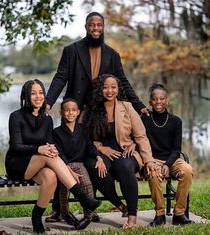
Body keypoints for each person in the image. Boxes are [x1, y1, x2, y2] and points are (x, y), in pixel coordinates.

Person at [45, 11, 149, 222]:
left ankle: (89, 210)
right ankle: (59, 209)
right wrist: (48, 101)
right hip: (74, 110)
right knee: (64, 156)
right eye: (92, 25)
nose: (95, 29)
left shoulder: (112, 54)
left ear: (103, 27)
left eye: (99, 25)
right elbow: (60, 77)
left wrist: (139, 106)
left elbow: (123, 82)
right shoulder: (72, 50)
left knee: (90, 159)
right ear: (86, 26)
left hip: (97, 112)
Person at [5, 79, 101, 234]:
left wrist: (67, 169)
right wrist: (39, 149)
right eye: (33, 93)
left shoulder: (47, 119)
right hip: (17, 163)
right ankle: (82, 196)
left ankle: (36, 218)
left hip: (39, 164)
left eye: (41, 92)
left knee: (51, 177)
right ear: (26, 96)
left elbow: (51, 148)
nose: (38, 96)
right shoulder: (16, 116)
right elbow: (16, 146)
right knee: (47, 153)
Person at [83, 74, 156, 229]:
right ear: (99, 89)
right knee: (95, 167)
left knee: (124, 167)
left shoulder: (127, 107)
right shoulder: (91, 108)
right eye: (105, 87)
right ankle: (119, 205)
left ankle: (132, 215)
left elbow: (141, 135)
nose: (109, 91)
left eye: (113, 87)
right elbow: (83, 136)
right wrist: (100, 148)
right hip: (102, 150)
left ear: (118, 89)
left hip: (125, 150)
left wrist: (148, 159)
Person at [141, 83, 194, 226]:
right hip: (152, 160)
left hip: (172, 159)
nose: (158, 102)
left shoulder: (176, 121)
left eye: (162, 98)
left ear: (167, 100)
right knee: (153, 174)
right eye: (155, 99)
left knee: (187, 170)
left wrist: (167, 164)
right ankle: (160, 214)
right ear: (150, 101)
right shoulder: (144, 119)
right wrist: (151, 162)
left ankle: (179, 214)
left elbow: (176, 149)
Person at [52, 98, 101, 227]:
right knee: (64, 189)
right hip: (63, 165)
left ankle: (88, 216)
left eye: (74, 110)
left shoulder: (83, 129)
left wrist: (98, 157)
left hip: (80, 164)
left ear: (78, 112)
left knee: (87, 185)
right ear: (62, 112)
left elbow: (90, 147)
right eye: (67, 110)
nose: (70, 113)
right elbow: (60, 153)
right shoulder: (56, 132)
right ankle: (65, 213)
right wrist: (68, 169)